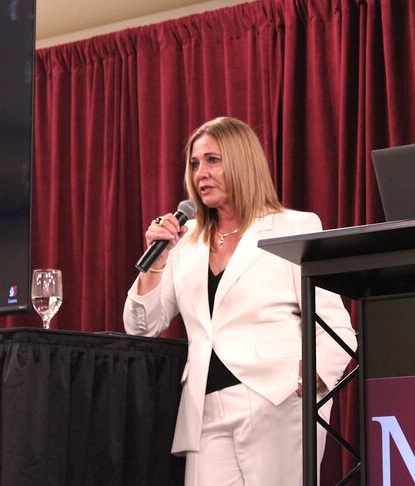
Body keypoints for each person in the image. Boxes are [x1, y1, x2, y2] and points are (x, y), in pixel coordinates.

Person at [123, 116, 356, 486]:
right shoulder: (185, 243)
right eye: (195, 164)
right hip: (205, 408)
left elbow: (335, 326)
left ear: (243, 161)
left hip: (277, 399)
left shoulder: (292, 227)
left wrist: (311, 379)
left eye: (213, 160)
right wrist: (158, 262)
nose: (201, 173)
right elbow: (140, 326)